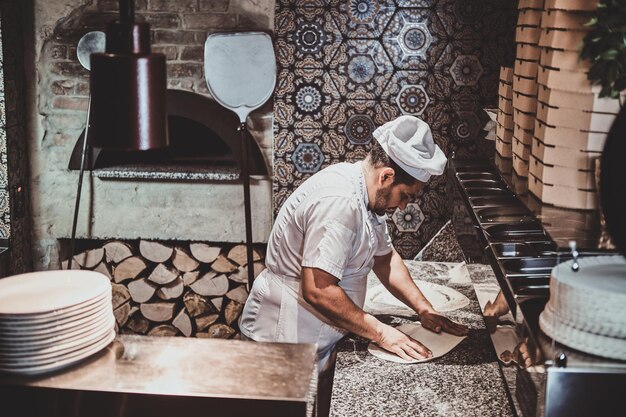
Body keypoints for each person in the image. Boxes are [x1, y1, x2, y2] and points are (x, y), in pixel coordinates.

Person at [240, 115, 468, 413]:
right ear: (386, 176)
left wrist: (424, 310)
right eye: (405, 196)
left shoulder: (367, 195)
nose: (402, 207)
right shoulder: (340, 203)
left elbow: (385, 259)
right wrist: (382, 332)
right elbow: (318, 290)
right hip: (282, 342)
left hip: (318, 339)